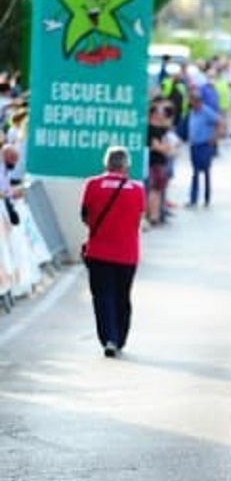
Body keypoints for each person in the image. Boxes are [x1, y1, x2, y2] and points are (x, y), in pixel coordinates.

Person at [80, 146, 145, 358]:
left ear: (106, 163)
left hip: (99, 251)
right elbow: (138, 218)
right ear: (126, 166)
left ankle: (109, 337)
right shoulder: (137, 189)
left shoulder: (92, 184)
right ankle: (119, 337)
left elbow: (85, 215)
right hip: (127, 253)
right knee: (122, 296)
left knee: (102, 296)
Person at [186, 92, 222, 208]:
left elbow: (219, 122)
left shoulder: (206, 112)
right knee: (195, 173)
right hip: (194, 145)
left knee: (206, 172)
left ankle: (206, 198)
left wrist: (214, 137)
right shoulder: (192, 112)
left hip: (204, 145)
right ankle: (193, 199)